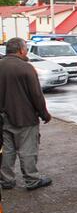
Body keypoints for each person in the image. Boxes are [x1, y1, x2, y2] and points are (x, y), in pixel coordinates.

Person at [0, 37, 52, 191]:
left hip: (3, 118)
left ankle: (7, 180)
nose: (27, 52)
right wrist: (44, 114)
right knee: (27, 150)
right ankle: (32, 180)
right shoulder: (26, 68)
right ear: (21, 50)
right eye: (26, 49)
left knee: (7, 150)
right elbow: (36, 95)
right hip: (24, 117)